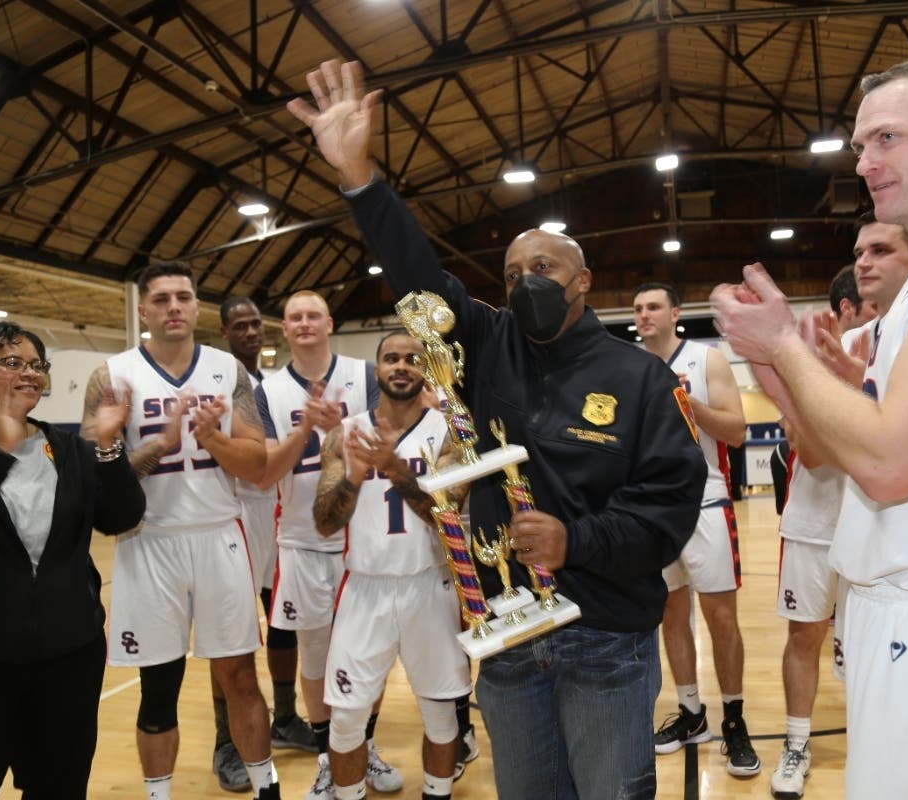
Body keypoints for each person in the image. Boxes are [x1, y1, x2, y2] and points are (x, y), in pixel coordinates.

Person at [287, 59, 706, 800]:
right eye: (511, 273)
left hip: (605, 637)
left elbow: (668, 511)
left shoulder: (640, 378)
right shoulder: (485, 344)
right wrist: (360, 179)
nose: (524, 282)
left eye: (542, 266)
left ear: (581, 280)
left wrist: (577, 540)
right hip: (508, 641)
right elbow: (419, 279)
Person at [712, 58, 908, 799]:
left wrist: (784, 342)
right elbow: (840, 453)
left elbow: (890, 467)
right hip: (899, 609)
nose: (864, 162)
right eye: (858, 145)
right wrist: (794, 373)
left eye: (885, 137)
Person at [81, 261, 280, 800]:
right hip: (148, 541)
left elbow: (256, 464)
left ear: (197, 307)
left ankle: (267, 789)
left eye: (184, 297)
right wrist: (161, 444)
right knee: (158, 685)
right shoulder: (111, 375)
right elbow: (95, 478)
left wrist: (211, 438)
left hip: (219, 535)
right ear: (143, 309)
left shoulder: (228, 371)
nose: (174, 307)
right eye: (162, 299)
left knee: (240, 676)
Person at [0, 321, 144, 800]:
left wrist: (106, 446)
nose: (31, 374)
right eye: (12, 362)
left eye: (37, 365)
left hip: (69, 657)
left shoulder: (68, 450)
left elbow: (121, 516)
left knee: (59, 788)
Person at [769, 236, 908, 799]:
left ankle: (873, 744)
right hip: (814, 518)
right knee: (805, 636)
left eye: (882, 252)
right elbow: (816, 449)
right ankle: (797, 743)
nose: (866, 263)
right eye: (861, 253)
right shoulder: (838, 345)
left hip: (880, 522)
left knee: (871, 645)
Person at [254, 290, 403, 798]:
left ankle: (363, 749)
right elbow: (264, 472)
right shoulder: (267, 390)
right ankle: (326, 756)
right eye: (294, 317)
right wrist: (308, 432)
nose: (304, 323)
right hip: (301, 540)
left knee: (372, 654)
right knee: (315, 659)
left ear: (329, 322)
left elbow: (391, 442)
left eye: (312, 314)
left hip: (362, 535)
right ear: (285, 328)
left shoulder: (365, 376)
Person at [313, 331, 472, 800]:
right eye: (391, 358)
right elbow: (325, 522)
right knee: (346, 717)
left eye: (412, 359)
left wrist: (395, 468)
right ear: (377, 369)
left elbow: (447, 517)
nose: (401, 366)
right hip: (364, 587)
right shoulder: (345, 433)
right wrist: (358, 475)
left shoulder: (450, 432)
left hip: (430, 584)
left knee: (442, 715)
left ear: (426, 370)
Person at [632, 283, 758, 777]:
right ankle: (691, 715)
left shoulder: (707, 361)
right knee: (671, 612)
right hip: (653, 510)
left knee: (721, 617)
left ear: (675, 313)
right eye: (638, 308)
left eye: (653, 307)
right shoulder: (630, 369)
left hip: (705, 501)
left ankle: (734, 720)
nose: (644, 315)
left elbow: (737, 431)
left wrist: (685, 403)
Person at [212, 297, 316, 792]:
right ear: (225, 331)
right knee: (232, 640)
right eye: (240, 325)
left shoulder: (270, 385)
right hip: (236, 521)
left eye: (256, 324)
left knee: (283, 624)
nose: (251, 332)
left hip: (277, 519)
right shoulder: (219, 382)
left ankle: (286, 718)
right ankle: (226, 745)